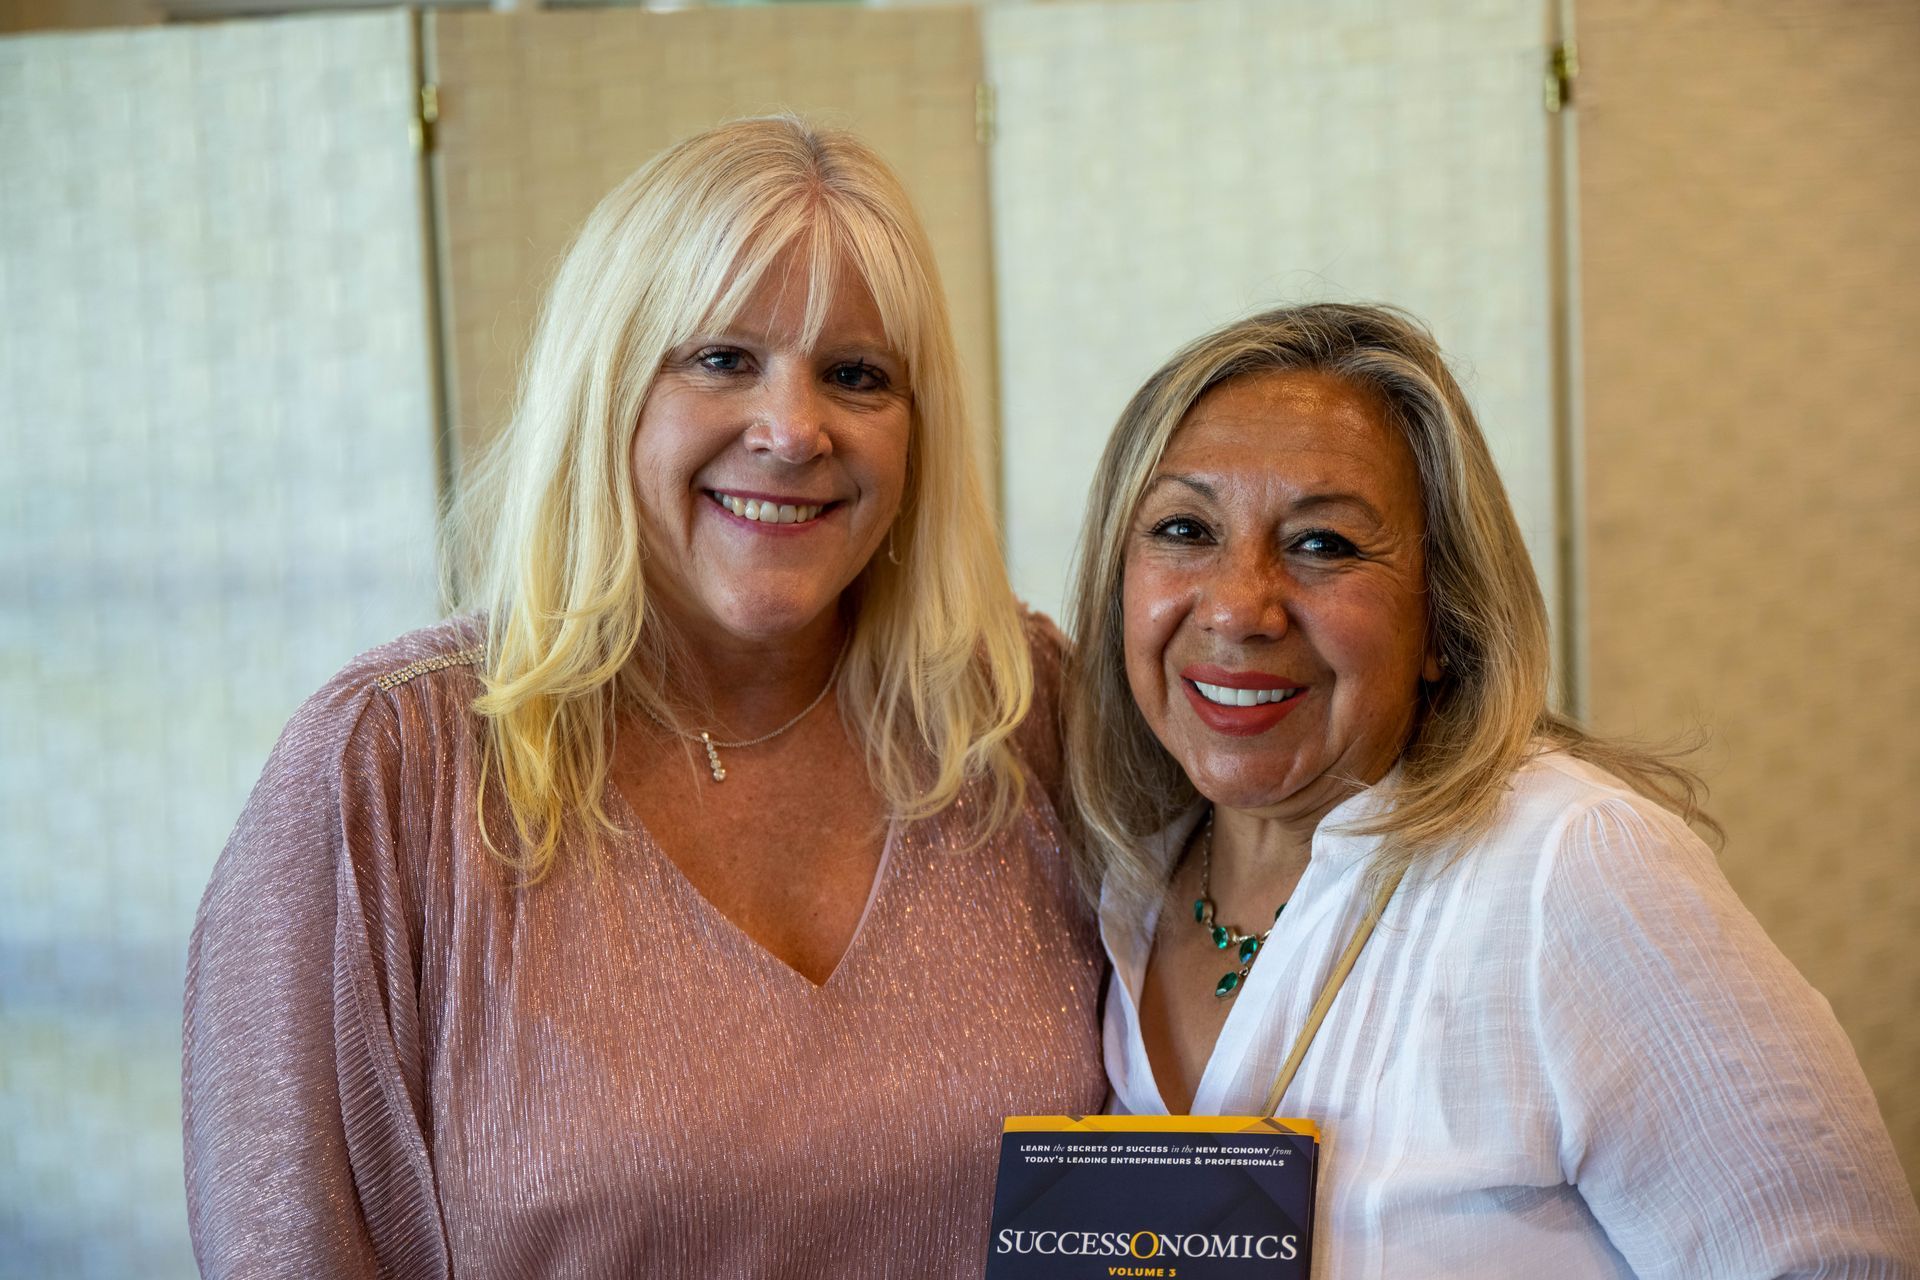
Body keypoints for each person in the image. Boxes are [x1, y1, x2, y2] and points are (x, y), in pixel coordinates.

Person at [182, 116, 1105, 1278]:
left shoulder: (1019, 709)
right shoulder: (388, 766)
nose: (793, 428)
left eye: (857, 374)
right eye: (722, 358)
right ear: (605, 384)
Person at [1063, 303, 1920, 1277]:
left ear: (1443, 617)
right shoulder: (1111, 879)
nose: (1238, 607)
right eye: (1184, 528)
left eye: (1323, 544)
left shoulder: (1568, 861)